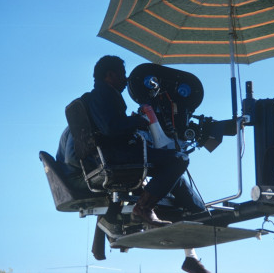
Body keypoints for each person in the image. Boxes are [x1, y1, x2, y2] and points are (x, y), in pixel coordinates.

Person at [56, 55, 211, 273]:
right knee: (179, 159)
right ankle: (154, 210)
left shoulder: (86, 103)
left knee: (172, 181)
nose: (126, 78)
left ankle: (191, 249)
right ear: (109, 75)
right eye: (121, 73)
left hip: (93, 171)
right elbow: (111, 128)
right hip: (110, 165)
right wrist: (138, 121)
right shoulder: (104, 94)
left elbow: (105, 130)